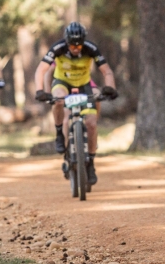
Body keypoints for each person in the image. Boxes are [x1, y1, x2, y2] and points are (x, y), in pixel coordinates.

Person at [34, 22, 118, 185]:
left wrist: (110, 87)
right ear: (67, 42)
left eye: (79, 44)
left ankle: (91, 163)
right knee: (58, 100)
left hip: (84, 84)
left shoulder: (90, 48)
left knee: (92, 122)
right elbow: (41, 69)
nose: (76, 48)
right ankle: (59, 133)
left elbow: (106, 70)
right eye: (73, 45)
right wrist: (40, 91)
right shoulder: (58, 47)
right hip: (62, 82)